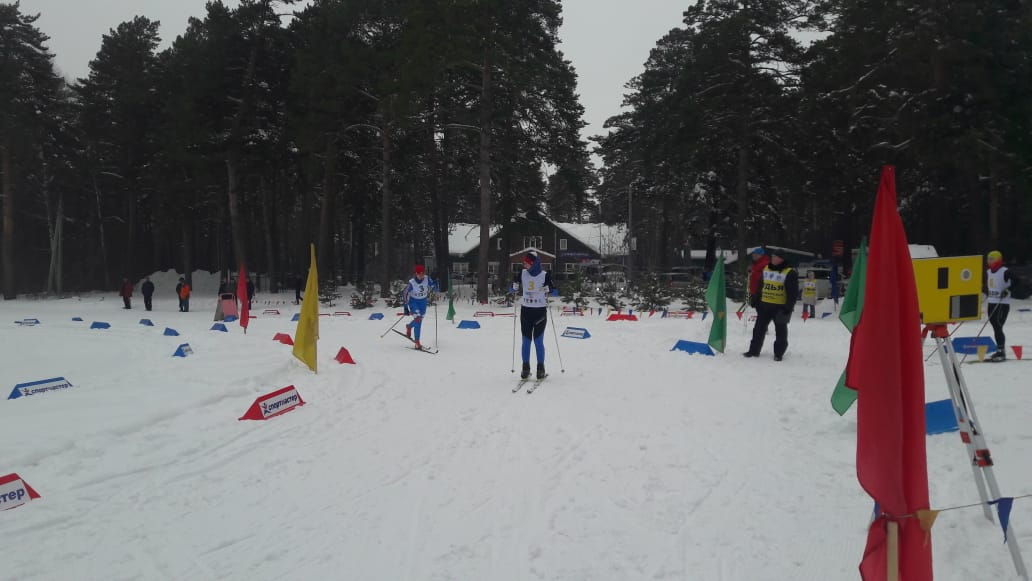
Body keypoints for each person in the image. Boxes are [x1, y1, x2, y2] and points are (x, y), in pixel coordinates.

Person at [743, 248, 798, 361]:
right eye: (772, 256)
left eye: (775, 257)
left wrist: (788, 307)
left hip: (780, 307)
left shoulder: (789, 272)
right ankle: (753, 351)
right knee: (758, 330)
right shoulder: (767, 268)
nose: (772, 258)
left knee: (780, 332)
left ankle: (778, 354)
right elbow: (760, 286)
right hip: (764, 305)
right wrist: (755, 299)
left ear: (781, 259)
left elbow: (793, 293)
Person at [511, 250, 557, 379]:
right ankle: (525, 368)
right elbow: (511, 288)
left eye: (527, 263)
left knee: (538, 341)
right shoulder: (522, 273)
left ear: (534, 263)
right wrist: (513, 287)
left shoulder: (544, 275)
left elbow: (555, 291)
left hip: (540, 312)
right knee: (526, 341)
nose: (525, 265)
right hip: (526, 311)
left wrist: (550, 290)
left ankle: (540, 368)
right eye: (524, 263)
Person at [985, 250, 1017, 361]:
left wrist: (1008, 290)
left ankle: (1001, 352)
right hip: (991, 302)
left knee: (998, 326)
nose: (989, 261)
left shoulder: (1005, 271)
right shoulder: (988, 271)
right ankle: (999, 351)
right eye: (988, 259)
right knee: (995, 326)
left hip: (1002, 303)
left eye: (992, 259)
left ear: (998, 260)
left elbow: (1017, 281)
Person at [403, 265, 438, 350]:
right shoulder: (412, 283)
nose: (421, 275)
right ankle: (417, 342)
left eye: (423, 273)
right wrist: (405, 307)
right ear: (416, 273)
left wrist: (435, 284)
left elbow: (433, 285)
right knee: (418, 319)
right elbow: (405, 294)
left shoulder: (427, 278)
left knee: (419, 320)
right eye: (419, 274)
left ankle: (409, 326)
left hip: (423, 302)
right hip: (413, 302)